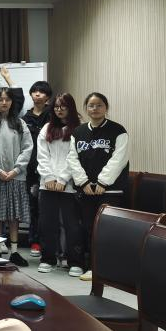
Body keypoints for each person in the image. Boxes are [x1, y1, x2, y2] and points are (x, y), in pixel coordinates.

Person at [67, 92, 129, 281]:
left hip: (110, 190)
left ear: (106, 108)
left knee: (106, 230)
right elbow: (72, 159)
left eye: (99, 105)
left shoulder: (118, 130)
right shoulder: (78, 132)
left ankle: (107, 270)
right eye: (91, 105)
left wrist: (102, 182)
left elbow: (119, 159)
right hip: (86, 190)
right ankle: (92, 268)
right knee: (88, 228)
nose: (95, 109)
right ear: (86, 109)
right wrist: (84, 182)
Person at [0, 87, 34, 267]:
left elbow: (28, 147)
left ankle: (15, 251)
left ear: (12, 102)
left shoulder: (20, 123)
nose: (4, 102)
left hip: (16, 176)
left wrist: (16, 170)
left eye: (7, 99)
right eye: (0, 99)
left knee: (13, 215)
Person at [36, 93, 84, 277]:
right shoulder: (47, 128)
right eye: (56, 107)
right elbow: (42, 155)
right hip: (47, 184)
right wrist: (48, 177)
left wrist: (63, 179)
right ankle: (47, 259)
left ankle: (75, 261)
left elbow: (75, 156)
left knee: (72, 225)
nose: (59, 110)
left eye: (63, 106)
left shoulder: (79, 129)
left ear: (70, 107)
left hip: (69, 185)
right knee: (47, 223)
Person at [21, 81, 53, 258]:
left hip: (49, 169)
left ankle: (50, 243)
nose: (38, 94)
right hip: (30, 168)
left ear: (48, 96)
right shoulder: (25, 118)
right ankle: (35, 241)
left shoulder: (53, 116)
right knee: (33, 206)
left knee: (47, 208)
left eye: (42, 92)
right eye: (35, 91)